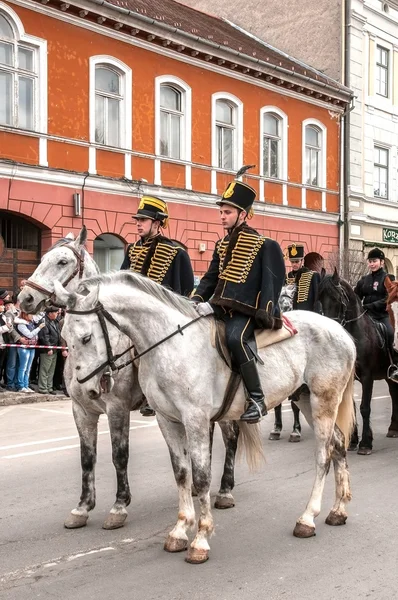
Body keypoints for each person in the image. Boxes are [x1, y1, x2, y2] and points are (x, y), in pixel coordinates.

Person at [191, 180, 285, 424]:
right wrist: (196, 299)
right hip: (222, 308)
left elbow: (250, 285)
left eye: (228, 212)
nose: (222, 216)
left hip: (246, 311)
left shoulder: (262, 244)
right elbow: (212, 278)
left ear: (243, 214)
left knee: (235, 338)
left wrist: (216, 305)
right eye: (221, 212)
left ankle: (257, 398)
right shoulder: (221, 245)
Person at [121, 195, 194, 415]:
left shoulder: (175, 253)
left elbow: (185, 289)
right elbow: (123, 280)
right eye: (137, 220)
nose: (138, 224)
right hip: (134, 317)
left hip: (165, 318)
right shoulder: (132, 251)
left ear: (157, 223)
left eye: (143, 220)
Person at [355, 247, 398, 381]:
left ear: (382, 262)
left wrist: (369, 306)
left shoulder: (387, 278)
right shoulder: (364, 280)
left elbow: (388, 298)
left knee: (391, 333)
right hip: (366, 316)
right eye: (370, 261)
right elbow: (356, 296)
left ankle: (394, 366)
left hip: (382, 316)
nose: (372, 264)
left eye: (374, 261)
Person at [13, 312, 45, 392]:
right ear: (25, 315)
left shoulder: (31, 323)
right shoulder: (21, 324)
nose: (32, 316)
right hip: (24, 347)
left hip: (32, 346)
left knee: (28, 367)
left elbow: (35, 335)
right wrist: (39, 328)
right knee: (23, 367)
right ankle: (21, 385)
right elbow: (30, 335)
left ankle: (26, 385)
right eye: (30, 315)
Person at [286, 243, 322, 312]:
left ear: (302, 261)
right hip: (291, 316)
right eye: (292, 262)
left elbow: (317, 300)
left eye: (297, 261)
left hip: (307, 316)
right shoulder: (287, 277)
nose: (294, 264)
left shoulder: (313, 276)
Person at [38, 307, 62, 395]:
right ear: (50, 313)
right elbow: (44, 336)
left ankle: (49, 386)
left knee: (51, 370)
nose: (57, 314)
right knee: (45, 369)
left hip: (55, 348)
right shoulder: (44, 321)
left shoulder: (55, 321)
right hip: (47, 350)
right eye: (55, 313)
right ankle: (43, 387)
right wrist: (49, 348)